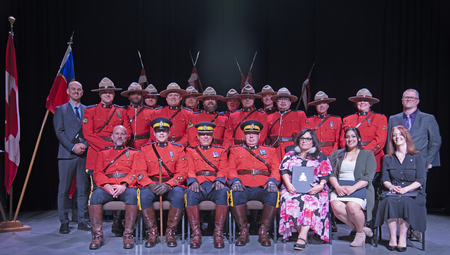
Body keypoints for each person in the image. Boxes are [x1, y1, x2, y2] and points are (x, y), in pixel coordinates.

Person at [82, 77, 132, 237]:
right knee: (97, 190)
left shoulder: (121, 111)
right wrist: (109, 148)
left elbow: (128, 133)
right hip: (97, 155)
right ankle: (97, 230)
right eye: (104, 92)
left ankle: (117, 223)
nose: (108, 94)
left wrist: (116, 146)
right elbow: (88, 135)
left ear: (114, 94)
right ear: (100, 94)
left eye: (110, 92)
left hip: (119, 154)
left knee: (120, 186)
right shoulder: (90, 111)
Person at [374, 125, 427, 252]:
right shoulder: (388, 158)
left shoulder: (417, 156)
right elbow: (385, 180)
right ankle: (392, 237)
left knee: (406, 202)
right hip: (393, 191)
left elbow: (420, 180)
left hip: (412, 192)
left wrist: (406, 189)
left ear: (406, 136)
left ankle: (402, 237)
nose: (397, 137)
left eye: (400, 134)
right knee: (389, 201)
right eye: (394, 135)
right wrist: (392, 187)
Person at [228, 120, 280, 247]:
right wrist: (234, 180)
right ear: (244, 136)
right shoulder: (235, 150)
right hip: (243, 185)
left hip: (264, 185)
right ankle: (243, 231)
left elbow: (275, 169)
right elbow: (230, 169)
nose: (251, 136)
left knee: (273, 194)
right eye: (248, 133)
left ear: (259, 136)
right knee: (235, 193)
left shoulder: (270, 150)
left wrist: (273, 181)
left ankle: (264, 231)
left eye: (254, 133)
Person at [137, 117, 188, 248]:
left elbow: (182, 172)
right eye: (158, 131)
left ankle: (170, 232)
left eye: (164, 131)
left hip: (170, 186)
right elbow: (140, 171)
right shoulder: (145, 149)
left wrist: (169, 184)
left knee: (178, 194)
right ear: (153, 133)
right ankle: (152, 232)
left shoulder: (178, 149)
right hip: (152, 185)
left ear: (169, 133)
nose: (161, 134)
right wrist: (150, 184)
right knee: (143, 195)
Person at [88, 125, 140, 250]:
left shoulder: (134, 153)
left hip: (126, 187)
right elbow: (98, 172)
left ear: (126, 137)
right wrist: (107, 186)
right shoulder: (102, 153)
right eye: (117, 134)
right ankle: (98, 235)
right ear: (112, 137)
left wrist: (124, 185)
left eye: (122, 134)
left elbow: (136, 172)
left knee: (133, 196)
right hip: (107, 187)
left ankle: (128, 234)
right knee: (95, 196)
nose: (119, 136)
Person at [278, 128, 332, 251]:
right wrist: (288, 184)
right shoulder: (290, 154)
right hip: (292, 188)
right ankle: (302, 234)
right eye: (302, 138)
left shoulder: (320, 155)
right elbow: (284, 170)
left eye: (307, 139)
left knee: (309, 201)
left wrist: (321, 185)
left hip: (315, 189)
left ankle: (302, 236)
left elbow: (325, 174)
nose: (304, 141)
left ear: (313, 141)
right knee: (289, 199)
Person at [53, 81, 90, 234]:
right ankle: (64, 222)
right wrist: (72, 147)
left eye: (79, 89)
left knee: (83, 189)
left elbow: (90, 131)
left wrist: (85, 145)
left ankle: (83, 220)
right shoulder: (60, 109)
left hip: (84, 154)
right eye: (73, 89)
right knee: (64, 190)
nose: (76, 91)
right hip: (67, 155)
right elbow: (59, 132)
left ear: (82, 92)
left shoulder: (87, 110)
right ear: (68, 91)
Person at [185, 122, 229, 249]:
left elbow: (223, 168)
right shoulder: (190, 150)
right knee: (190, 193)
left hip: (214, 183)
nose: (205, 137)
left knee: (223, 192)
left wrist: (220, 180)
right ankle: (196, 233)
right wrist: (193, 181)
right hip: (198, 183)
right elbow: (190, 168)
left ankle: (218, 233)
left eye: (208, 135)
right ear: (197, 136)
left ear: (212, 136)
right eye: (202, 134)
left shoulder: (220, 151)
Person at [329, 127, 376, 247]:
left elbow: (368, 177)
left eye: (353, 136)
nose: (350, 139)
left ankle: (359, 234)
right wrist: (338, 187)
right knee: (336, 206)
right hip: (339, 187)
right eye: (348, 136)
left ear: (359, 138)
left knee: (352, 207)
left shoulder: (367, 154)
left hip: (359, 188)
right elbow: (330, 173)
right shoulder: (337, 153)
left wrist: (352, 188)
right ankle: (362, 229)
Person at [341, 88, 387, 194]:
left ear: (370, 103)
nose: (362, 102)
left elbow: (380, 140)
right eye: (359, 100)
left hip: (373, 159)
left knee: (373, 192)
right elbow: (342, 139)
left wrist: (363, 154)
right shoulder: (348, 119)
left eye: (365, 100)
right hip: (352, 159)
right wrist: (353, 153)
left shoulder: (380, 118)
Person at [267, 87, 307, 160]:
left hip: (293, 150)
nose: (283, 101)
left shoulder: (299, 114)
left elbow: (306, 136)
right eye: (280, 99)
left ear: (290, 102)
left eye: (286, 99)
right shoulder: (268, 117)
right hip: (275, 151)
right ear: (276, 101)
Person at [151, 82, 192, 147]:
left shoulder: (188, 113)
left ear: (181, 98)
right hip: (162, 146)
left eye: (176, 95)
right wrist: (163, 144)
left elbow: (189, 133)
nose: (173, 97)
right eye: (170, 95)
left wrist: (179, 145)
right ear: (166, 98)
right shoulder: (157, 113)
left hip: (181, 147)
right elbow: (152, 132)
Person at [307, 91, 342, 157]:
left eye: (324, 103)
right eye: (319, 103)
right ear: (315, 105)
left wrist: (333, 154)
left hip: (331, 153)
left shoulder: (337, 120)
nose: (321, 105)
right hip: (314, 153)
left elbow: (337, 141)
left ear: (328, 105)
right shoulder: (309, 120)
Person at [121, 82, 152, 149]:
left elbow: (153, 131)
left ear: (141, 96)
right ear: (128, 97)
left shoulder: (150, 111)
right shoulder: (123, 111)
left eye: (138, 94)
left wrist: (148, 145)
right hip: (127, 144)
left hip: (145, 144)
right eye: (133, 94)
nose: (136, 96)